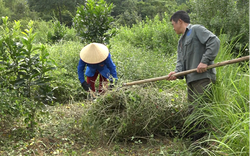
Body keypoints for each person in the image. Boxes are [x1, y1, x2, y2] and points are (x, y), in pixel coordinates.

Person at [167, 11, 220, 112]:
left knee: (202, 112)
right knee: (192, 113)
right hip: (191, 80)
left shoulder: (196, 29)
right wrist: (176, 73)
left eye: (173, 24)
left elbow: (214, 41)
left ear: (180, 21)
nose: (173, 28)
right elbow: (180, 61)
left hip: (203, 78)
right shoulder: (181, 42)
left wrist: (204, 61)